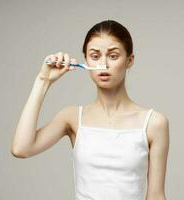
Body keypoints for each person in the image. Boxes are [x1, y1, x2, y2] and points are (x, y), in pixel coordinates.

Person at [11, 19, 169, 200]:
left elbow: (156, 195)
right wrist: (43, 80)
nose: (104, 64)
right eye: (95, 56)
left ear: (130, 60)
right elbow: (21, 148)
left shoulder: (154, 123)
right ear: (85, 59)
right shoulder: (71, 117)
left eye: (113, 56)